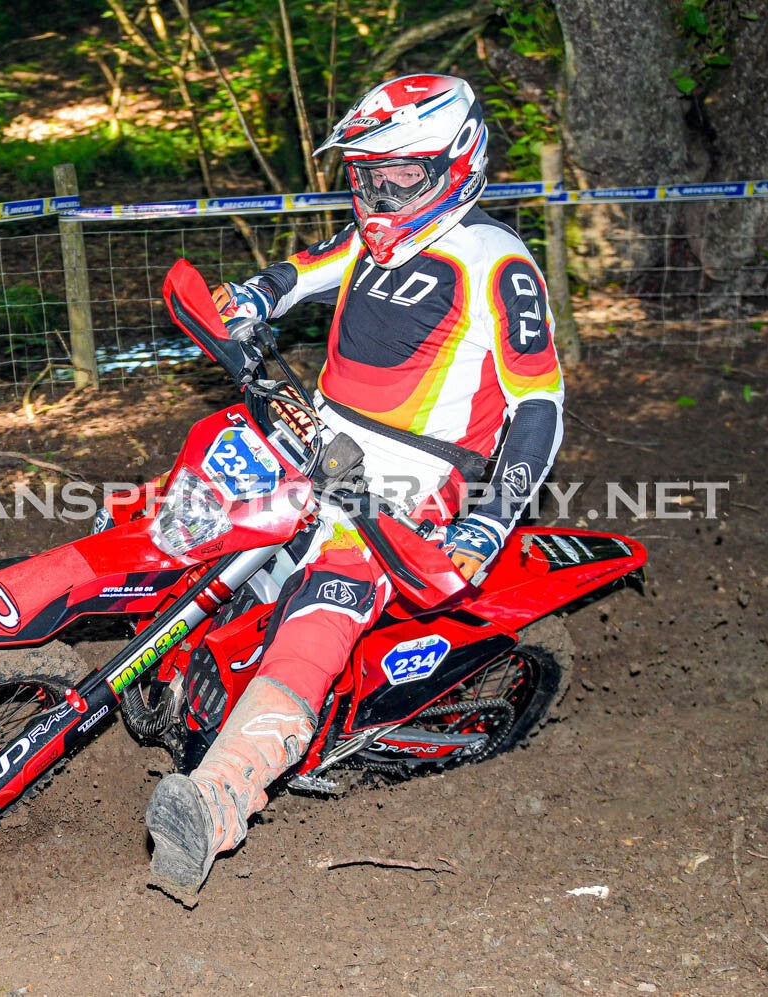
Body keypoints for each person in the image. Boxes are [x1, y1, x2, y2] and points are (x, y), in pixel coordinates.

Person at [145, 73, 566, 901]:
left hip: (414, 484)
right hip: (317, 438)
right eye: (366, 174)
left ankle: (222, 793)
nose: (378, 192)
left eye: (399, 174)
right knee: (191, 500)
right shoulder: (374, 240)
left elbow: (540, 407)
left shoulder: (497, 263)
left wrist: (489, 521)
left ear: (456, 163)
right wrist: (255, 294)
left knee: (323, 601)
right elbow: (303, 271)